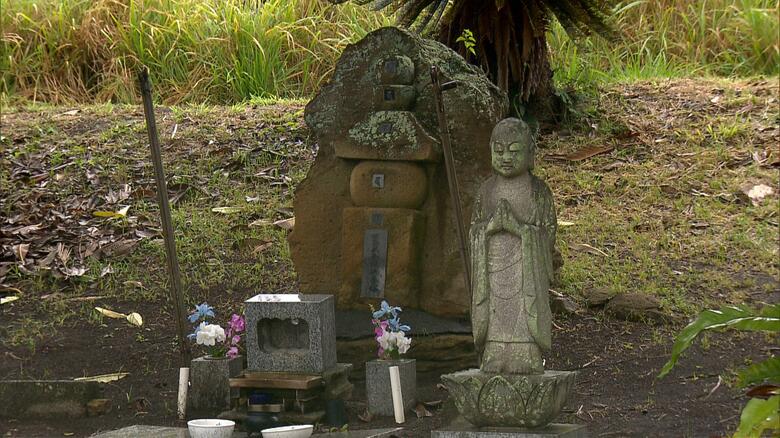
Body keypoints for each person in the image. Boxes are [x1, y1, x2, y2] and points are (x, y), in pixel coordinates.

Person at [469, 117, 557, 374]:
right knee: (495, 314)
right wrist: (489, 228)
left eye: (514, 151)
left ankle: (526, 352)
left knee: (523, 313)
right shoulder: (486, 191)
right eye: (499, 151)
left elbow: (548, 233)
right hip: (493, 269)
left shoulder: (539, 191)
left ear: (530, 154)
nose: (505, 157)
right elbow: (474, 231)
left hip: (525, 271)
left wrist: (520, 230)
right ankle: (494, 352)